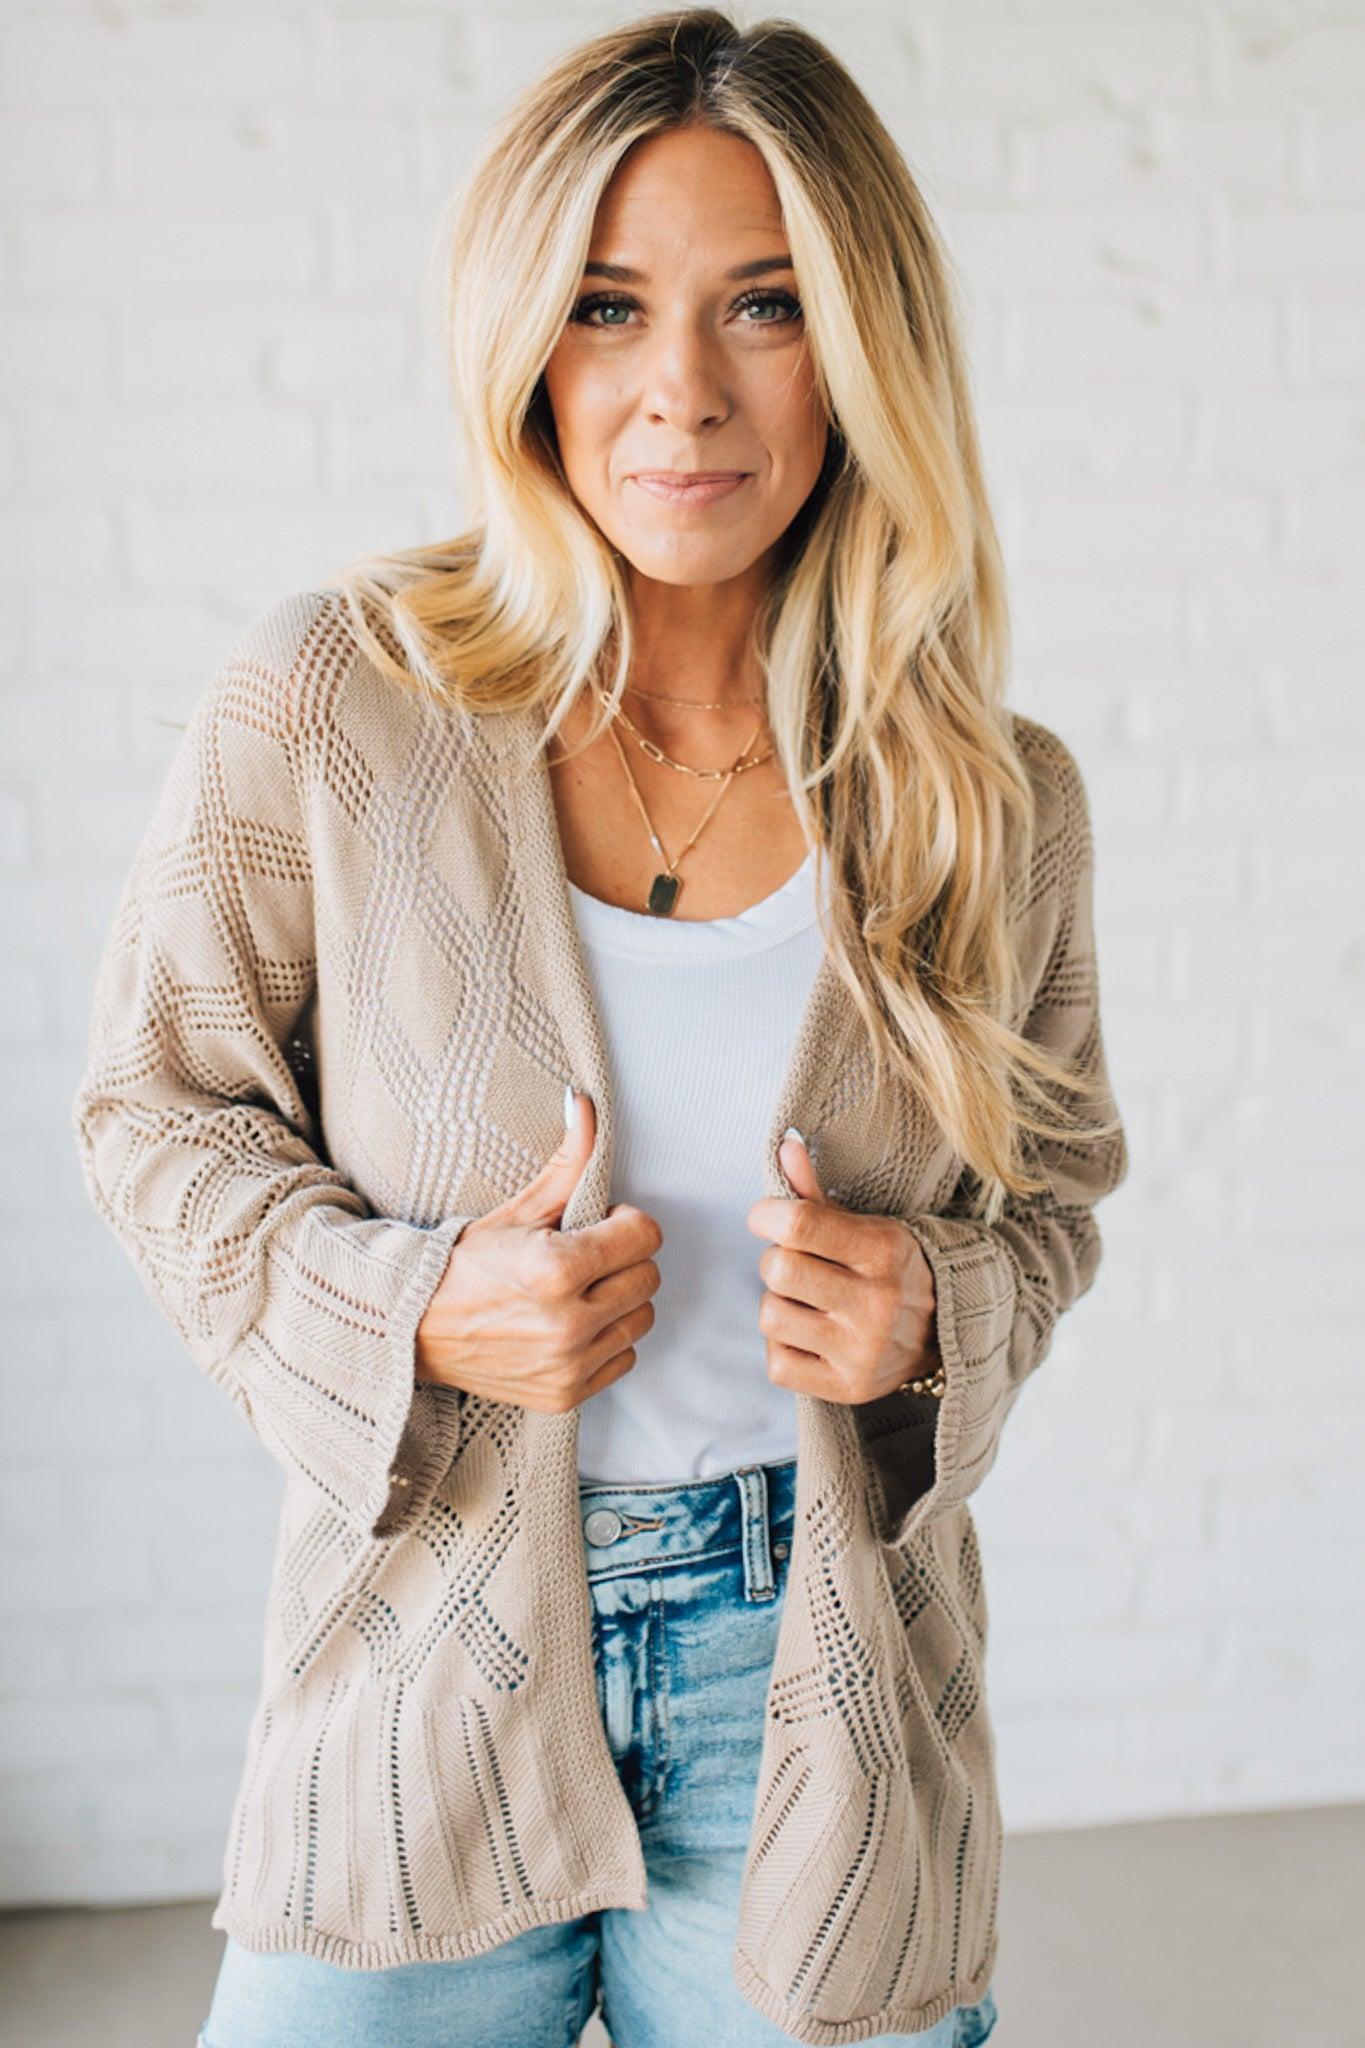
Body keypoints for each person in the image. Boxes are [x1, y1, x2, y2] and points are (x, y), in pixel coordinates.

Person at [72, 11, 1126, 2046]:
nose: (679, 392)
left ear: (861, 341)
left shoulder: (985, 796)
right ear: (519, 340)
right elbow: (153, 1110)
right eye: (604, 305)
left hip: (811, 1688)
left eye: (763, 304)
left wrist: (931, 1313)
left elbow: (1053, 1200)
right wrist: (412, 1310)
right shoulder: (334, 703)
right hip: (420, 1649)